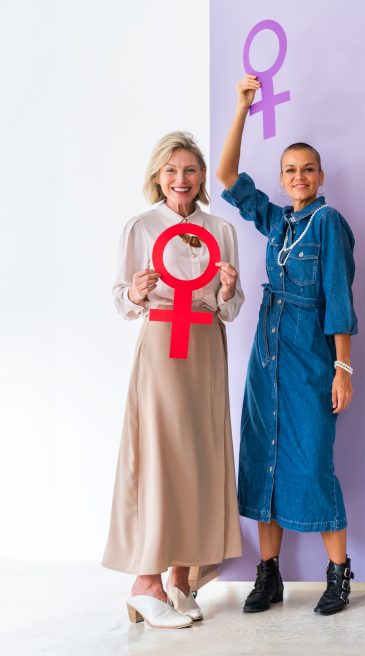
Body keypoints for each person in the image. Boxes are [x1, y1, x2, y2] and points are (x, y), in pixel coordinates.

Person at [217, 74, 358, 616]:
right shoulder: (276, 221)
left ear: (320, 176)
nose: (298, 177)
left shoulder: (328, 223)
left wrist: (342, 368)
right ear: (282, 179)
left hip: (311, 358)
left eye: (307, 170)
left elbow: (338, 301)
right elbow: (227, 175)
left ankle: (339, 575)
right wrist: (242, 108)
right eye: (289, 171)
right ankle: (269, 575)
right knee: (263, 460)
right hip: (265, 357)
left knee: (312, 464)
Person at [105, 131, 244, 629]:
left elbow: (231, 306)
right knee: (160, 453)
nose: (181, 179)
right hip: (163, 344)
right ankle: (146, 582)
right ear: (157, 177)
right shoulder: (141, 227)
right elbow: (121, 300)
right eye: (171, 171)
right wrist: (138, 292)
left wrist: (227, 289)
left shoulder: (220, 229)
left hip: (206, 344)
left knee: (199, 455)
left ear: (202, 176)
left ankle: (182, 579)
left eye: (189, 170)